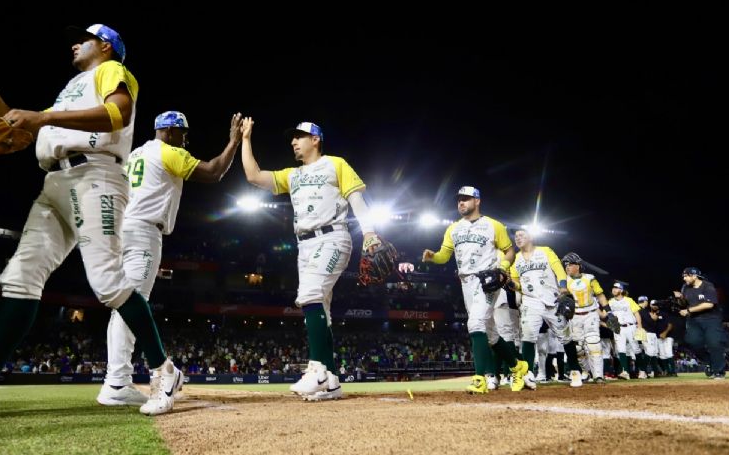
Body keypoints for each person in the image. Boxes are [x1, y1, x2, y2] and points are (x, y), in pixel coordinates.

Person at [0, 23, 182, 419]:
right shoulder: (71, 87)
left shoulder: (110, 71)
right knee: (20, 276)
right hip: (56, 181)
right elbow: (13, 121)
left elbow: (117, 113)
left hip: (95, 176)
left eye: (86, 38)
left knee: (108, 283)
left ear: (106, 46)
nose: (75, 42)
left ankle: (164, 371)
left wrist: (42, 118)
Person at [97, 110, 242, 406]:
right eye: (184, 134)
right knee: (132, 305)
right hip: (142, 233)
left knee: (121, 308)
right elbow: (214, 171)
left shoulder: (136, 154)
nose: (185, 141)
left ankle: (116, 382)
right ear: (172, 132)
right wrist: (234, 142)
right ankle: (122, 380)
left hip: (120, 232)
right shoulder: (168, 152)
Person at [239, 118, 387, 401]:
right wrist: (246, 139)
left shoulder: (335, 164)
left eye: (300, 136)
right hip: (304, 246)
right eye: (292, 138)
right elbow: (254, 176)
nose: (294, 141)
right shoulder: (291, 175)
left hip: (332, 237)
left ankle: (318, 369)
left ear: (316, 139)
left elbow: (357, 200)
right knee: (322, 311)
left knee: (309, 295)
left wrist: (369, 232)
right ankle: (331, 382)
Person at [419, 186, 530, 393]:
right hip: (466, 283)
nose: (461, 202)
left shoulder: (493, 225)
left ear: (477, 201)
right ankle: (518, 365)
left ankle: (480, 379)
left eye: (466, 199)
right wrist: (433, 257)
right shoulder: (453, 229)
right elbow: (444, 255)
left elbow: (509, 251)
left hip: (486, 279)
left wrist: (502, 268)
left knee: (475, 322)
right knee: (490, 334)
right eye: (459, 199)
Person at [509, 229, 580, 388]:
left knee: (565, 336)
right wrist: (510, 284)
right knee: (528, 337)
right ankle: (527, 375)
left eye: (522, 235)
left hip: (553, 299)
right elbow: (517, 284)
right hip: (530, 300)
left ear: (531, 237)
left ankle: (575, 370)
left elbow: (559, 271)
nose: (518, 238)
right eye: (516, 236)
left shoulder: (545, 251)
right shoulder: (515, 259)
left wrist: (563, 288)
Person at [562, 252, 616, 386]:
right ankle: (585, 372)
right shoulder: (563, 281)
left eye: (570, 264)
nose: (567, 267)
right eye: (566, 265)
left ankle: (598, 376)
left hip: (590, 314)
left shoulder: (590, 278)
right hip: (574, 316)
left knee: (593, 344)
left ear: (578, 266)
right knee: (578, 348)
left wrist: (609, 313)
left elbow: (600, 296)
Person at [677, 266, 727, 379]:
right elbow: (684, 304)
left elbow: (709, 304)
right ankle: (709, 362)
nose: (684, 278)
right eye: (683, 276)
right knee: (692, 342)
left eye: (686, 276)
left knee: (715, 343)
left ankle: (719, 371)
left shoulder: (707, 286)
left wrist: (688, 310)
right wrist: (680, 298)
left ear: (694, 276)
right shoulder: (685, 287)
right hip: (693, 320)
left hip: (711, 319)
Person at [609, 281, 643, 379]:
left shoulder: (629, 300)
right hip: (618, 328)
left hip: (631, 326)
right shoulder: (610, 301)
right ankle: (625, 372)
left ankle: (642, 370)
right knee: (621, 350)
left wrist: (639, 327)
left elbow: (636, 314)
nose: (614, 289)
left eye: (616, 288)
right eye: (613, 288)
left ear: (621, 290)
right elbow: (605, 314)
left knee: (636, 348)